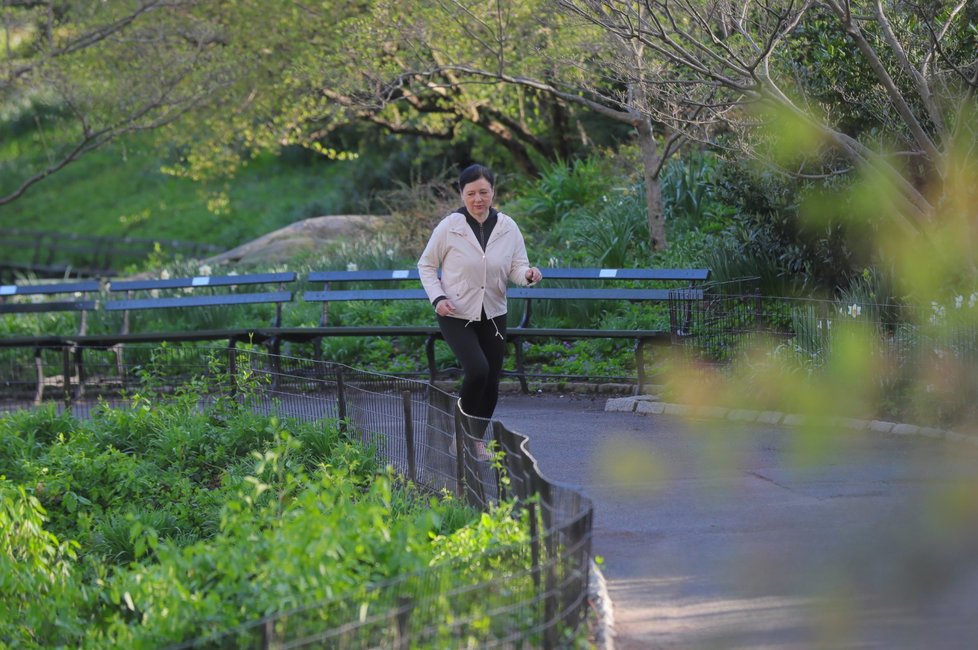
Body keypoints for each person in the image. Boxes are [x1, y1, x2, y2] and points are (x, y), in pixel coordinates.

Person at [418, 164, 543, 458]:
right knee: (477, 370)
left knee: (492, 378)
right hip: (455, 313)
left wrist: (527, 275)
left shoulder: (508, 226)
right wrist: (438, 298)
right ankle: (458, 431)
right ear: (462, 194)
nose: (478, 199)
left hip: (494, 313)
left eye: (483, 192)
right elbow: (426, 265)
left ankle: (474, 439)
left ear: (493, 192)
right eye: (471, 193)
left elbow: (516, 267)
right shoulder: (450, 226)